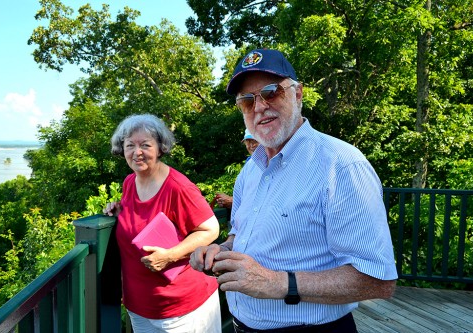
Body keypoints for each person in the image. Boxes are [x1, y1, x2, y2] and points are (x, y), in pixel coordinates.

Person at [190, 49, 398, 332]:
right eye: (247, 101)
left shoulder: (341, 164)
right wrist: (221, 250)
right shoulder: (250, 171)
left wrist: (277, 283)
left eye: (271, 92)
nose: (259, 106)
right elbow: (239, 233)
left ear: (298, 94)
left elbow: (378, 280)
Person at [103, 114, 221, 333]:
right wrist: (119, 211)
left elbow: (211, 228)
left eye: (145, 145)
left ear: (160, 148)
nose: (137, 152)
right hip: (140, 307)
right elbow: (139, 219)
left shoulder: (178, 187)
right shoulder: (130, 182)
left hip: (182, 308)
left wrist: (170, 255)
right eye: (130, 145)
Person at [215, 129, 259, 209]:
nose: (251, 145)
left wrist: (232, 201)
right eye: (248, 142)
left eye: (255, 141)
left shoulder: (270, 164)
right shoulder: (249, 163)